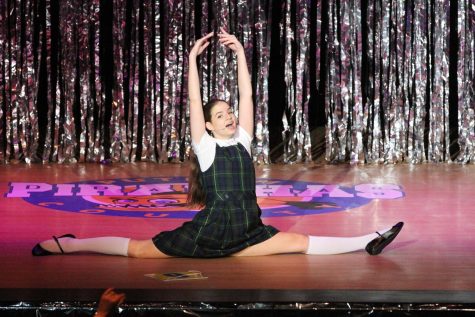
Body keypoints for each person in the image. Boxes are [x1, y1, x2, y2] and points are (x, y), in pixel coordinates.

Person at [32, 29, 403, 258]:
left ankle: (370, 238)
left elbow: (248, 93)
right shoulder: (207, 146)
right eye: (222, 113)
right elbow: (194, 102)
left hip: (247, 230)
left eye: (230, 112)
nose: (230, 115)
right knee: (141, 252)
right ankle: (68, 244)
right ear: (208, 125)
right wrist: (192, 60)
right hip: (209, 232)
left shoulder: (242, 139)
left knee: (298, 244)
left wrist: (240, 53)